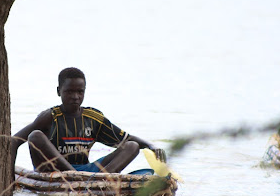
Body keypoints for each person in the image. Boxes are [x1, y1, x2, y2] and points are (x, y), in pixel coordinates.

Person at [11, 67, 166, 173]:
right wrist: (8, 178)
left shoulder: (93, 118)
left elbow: (127, 139)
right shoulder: (50, 117)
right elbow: (14, 141)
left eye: (80, 91)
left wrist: (152, 147)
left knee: (132, 146)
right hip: (56, 172)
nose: (75, 97)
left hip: (87, 172)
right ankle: (76, 179)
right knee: (35, 136)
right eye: (69, 91)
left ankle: (103, 180)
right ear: (59, 91)